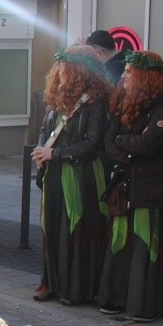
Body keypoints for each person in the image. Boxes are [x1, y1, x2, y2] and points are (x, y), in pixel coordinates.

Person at [97, 51, 163, 322]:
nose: (123, 75)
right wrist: (132, 148)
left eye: (128, 71)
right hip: (129, 186)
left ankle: (146, 305)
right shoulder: (124, 103)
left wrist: (128, 146)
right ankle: (117, 299)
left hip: (157, 190)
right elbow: (109, 143)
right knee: (123, 245)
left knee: (147, 247)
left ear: (145, 76)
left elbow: (148, 144)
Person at [31, 47, 112, 305]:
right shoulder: (56, 97)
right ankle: (50, 282)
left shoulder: (97, 101)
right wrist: (41, 151)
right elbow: (45, 130)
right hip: (54, 173)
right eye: (60, 68)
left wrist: (55, 154)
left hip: (82, 173)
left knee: (77, 229)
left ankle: (74, 287)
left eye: (66, 68)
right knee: (51, 227)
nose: (60, 72)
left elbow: (92, 142)